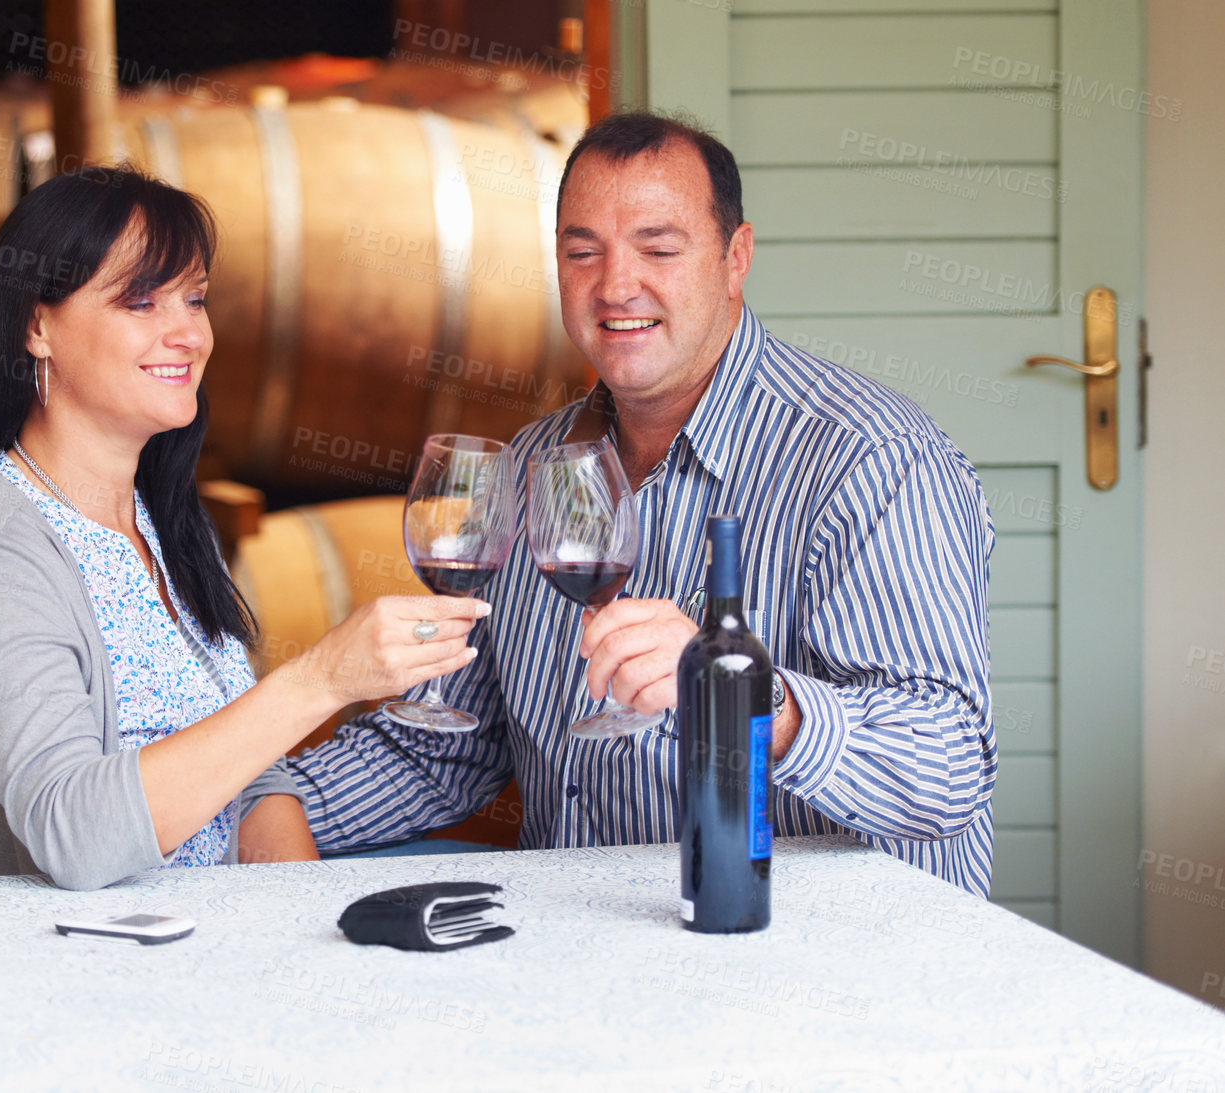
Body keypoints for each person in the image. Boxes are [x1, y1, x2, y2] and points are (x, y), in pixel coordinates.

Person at [289, 111, 999, 895]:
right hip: (589, 940)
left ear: (736, 258)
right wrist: (263, 798)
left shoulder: (871, 461)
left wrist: (739, 690)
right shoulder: (533, 466)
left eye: (658, 249)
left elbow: (946, 767)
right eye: (581, 251)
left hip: (817, 953)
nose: (614, 285)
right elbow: (447, 747)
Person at [0, 166, 486, 889]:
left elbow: (249, 782)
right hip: (15, 971)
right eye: (140, 301)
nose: (186, 333)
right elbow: (72, 839)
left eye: (193, 299)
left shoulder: (159, 526)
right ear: (37, 326)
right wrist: (319, 680)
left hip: (179, 945)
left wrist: (304, 928)